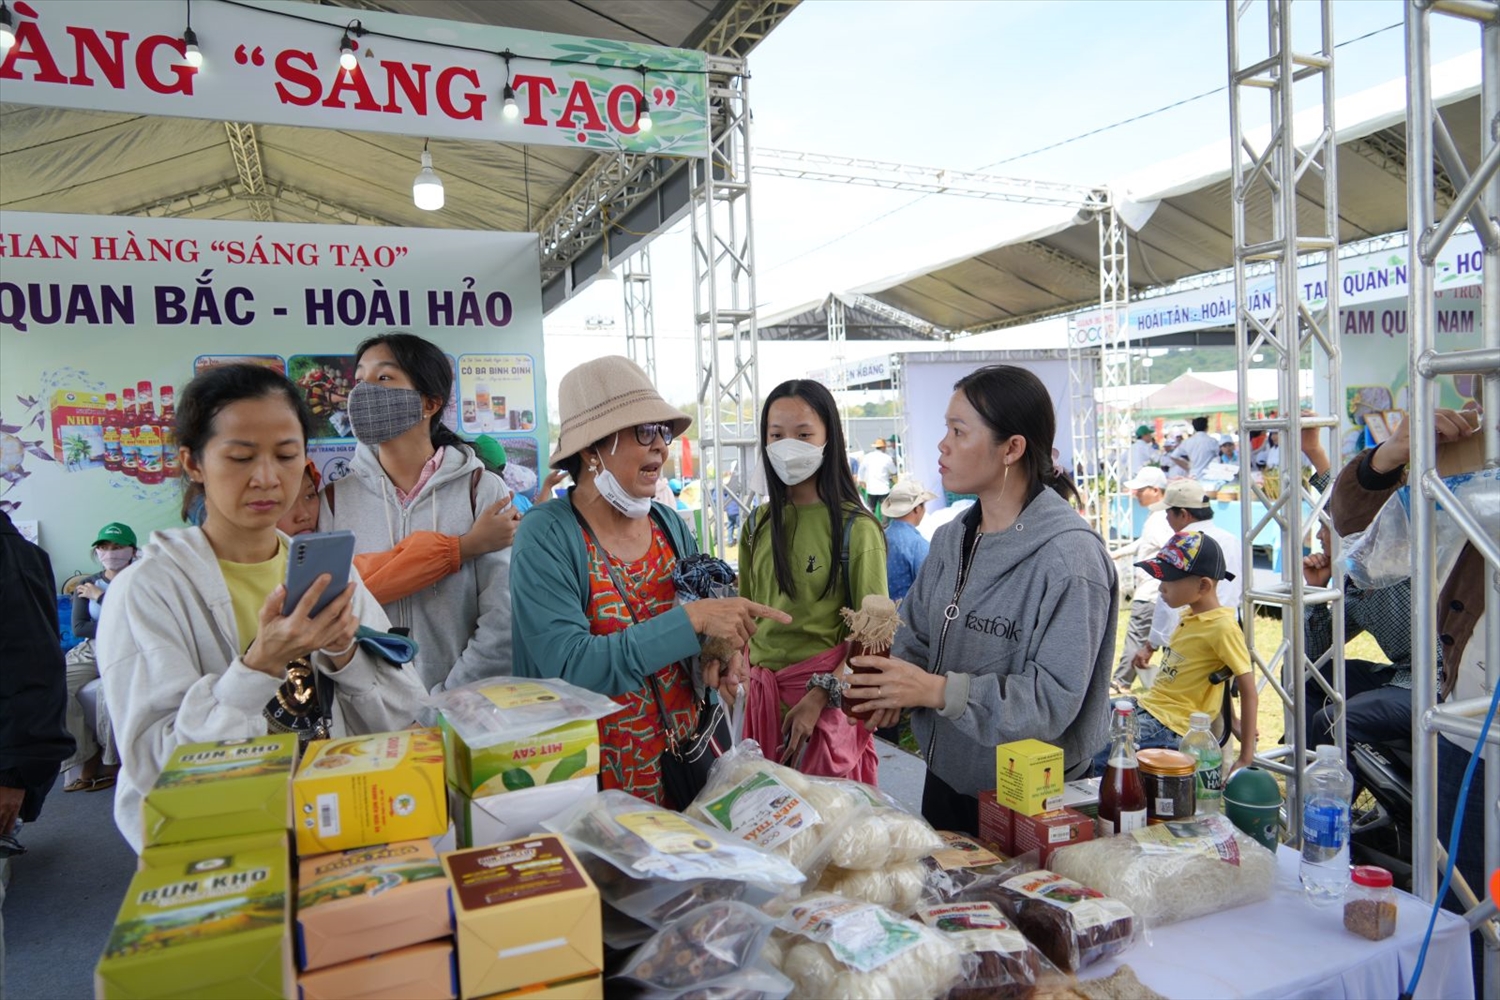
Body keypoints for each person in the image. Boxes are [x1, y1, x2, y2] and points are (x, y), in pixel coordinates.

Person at [97, 363, 425, 852]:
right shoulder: (147, 591)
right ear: (193, 463)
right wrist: (259, 666)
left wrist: (345, 655)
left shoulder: (326, 570)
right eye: (240, 457)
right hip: (225, 852)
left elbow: (405, 717)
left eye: (287, 455)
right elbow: (156, 766)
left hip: (335, 826)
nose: (268, 478)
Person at [843, 365, 1118, 835]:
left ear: (1011, 448)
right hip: (947, 776)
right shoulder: (953, 537)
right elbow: (916, 632)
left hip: (1032, 796)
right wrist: (894, 689)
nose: (942, 445)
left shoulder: (1070, 560)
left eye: (958, 431)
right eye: (945, 429)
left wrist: (935, 691)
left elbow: (1052, 701)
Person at [511, 356, 788, 807]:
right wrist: (694, 620)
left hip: (684, 768)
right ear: (591, 449)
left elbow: (694, 638)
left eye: (664, 431)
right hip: (591, 790)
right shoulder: (546, 533)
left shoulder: (669, 524)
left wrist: (719, 657)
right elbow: (568, 667)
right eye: (644, 432)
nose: (661, 446)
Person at [1330, 401, 1486, 961]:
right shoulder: (1472, 470)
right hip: (1464, 727)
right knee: (1460, 921)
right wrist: (1390, 458)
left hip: (1435, 703)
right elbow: (1351, 524)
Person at [320, 333, 517, 692]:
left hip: (461, 711)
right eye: (359, 380)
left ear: (428, 403)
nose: (362, 392)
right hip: (366, 714)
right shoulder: (333, 500)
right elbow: (331, 617)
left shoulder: (481, 490)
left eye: (383, 378)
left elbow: (503, 620)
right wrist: (370, 701)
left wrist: (444, 704)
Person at [738, 380, 887, 782]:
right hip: (762, 707)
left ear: (829, 439)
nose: (789, 445)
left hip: (824, 713)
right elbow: (745, 619)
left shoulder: (858, 530)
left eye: (803, 434)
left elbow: (874, 641)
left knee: (831, 833)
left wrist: (819, 696)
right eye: (776, 435)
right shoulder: (756, 525)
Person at [1092, 531, 1256, 775]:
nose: (1160, 588)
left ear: (1203, 585)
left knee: (1092, 754)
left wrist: (1246, 755)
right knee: (1085, 719)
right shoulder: (1190, 616)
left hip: (1170, 726)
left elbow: (1247, 687)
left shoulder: (1222, 628)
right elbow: (1219, 677)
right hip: (1148, 708)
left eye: (1168, 581)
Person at [1302, 523, 1420, 751]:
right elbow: (1315, 656)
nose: (1318, 536)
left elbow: (1364, 506)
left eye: (1325, 527)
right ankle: (1310, 767)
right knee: (1303, 674)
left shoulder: (1396, 564)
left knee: (1332, 720)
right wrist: (1316, 589)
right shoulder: (1357, 586)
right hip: (1401, 675)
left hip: (1436, 685)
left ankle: (1332, 782)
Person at [1131, 479, 1243, 674]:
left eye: (1167, 513)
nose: (1166, 519)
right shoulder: (1231, 540)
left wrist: (1152, 644)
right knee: (1219, 695)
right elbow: (1237, 591)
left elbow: (1166, 599)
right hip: (1225, 631)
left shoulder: (1182, 544)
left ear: (1183, 514)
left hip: (1189, 637)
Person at [62, 521, 136, 792]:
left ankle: (110, 762)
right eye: (104, 547)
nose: (111, 552)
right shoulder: (87, 583)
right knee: (57, 688)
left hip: (130, 648)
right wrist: (110, 610)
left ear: (132, 550)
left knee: (109, 693)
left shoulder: (143, 578)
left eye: (118, 547)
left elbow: (140, 622)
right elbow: (80, 627)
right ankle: (85, 754)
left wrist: (101, 598)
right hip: (92, 647)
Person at [1112, 467, 1173, 693]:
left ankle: (1121, 682)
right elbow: (1145, 542)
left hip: (1151, 590)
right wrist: (1119, 553)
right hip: (1155, 589)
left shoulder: (1159, 519)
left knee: (1137, 635)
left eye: (1139, 490)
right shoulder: (1158, 517)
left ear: (1155, 490)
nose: (1135, 494)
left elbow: (1169, 549)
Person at [882, 478, 936, 603]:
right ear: (917, 509)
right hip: (906, 617)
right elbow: (929, 589)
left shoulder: (882, 536)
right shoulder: (917, 544)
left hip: (882, 614)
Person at [1170, 416, 1220, 481]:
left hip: (1193, 476)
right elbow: (1219, 456)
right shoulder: (1212, 441)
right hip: (1209, 477)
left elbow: (1173, 456)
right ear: (1207, 427)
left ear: (1194, 428)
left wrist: (1187, 467)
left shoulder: (1187, 442)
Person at [859, 438, 897, 521]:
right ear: (883, 447)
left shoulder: (868, 457)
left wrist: (861, 480)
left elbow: (861, 470)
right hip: (884, 488)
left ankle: (871, 526)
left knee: (870, 510)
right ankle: (885, 528)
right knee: (885, 511)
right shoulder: (887, 458)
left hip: (871, 488)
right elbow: (894, 471)